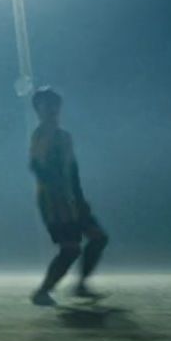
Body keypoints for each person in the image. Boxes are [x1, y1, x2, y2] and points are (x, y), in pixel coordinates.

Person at [28, 86, 108, 305]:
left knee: (98, 238)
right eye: (47, 105)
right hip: (53, 201)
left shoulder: (65, 136)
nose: (53, 109)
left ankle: (81, 285)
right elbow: (35, 166)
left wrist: (79, 198)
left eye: (55, 104)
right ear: (39, 109)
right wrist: (57, 191)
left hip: (71, 200)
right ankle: (42, 291)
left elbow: (73, 170)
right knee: (71, 249)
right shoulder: (41, 135)